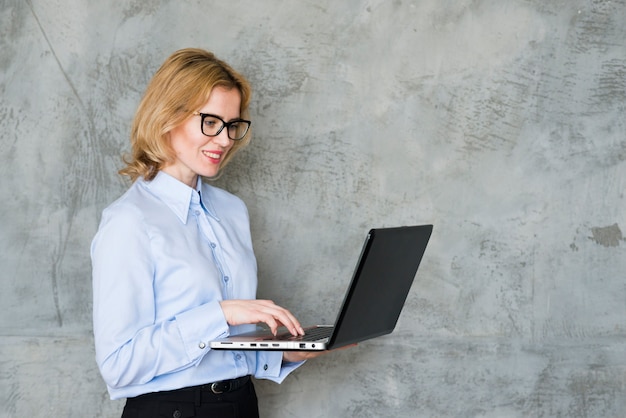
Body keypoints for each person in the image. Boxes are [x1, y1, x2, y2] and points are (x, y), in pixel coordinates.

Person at [91, 48, 333, 418]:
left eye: (232, 125)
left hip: (240, 404)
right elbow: (119, 363)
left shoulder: (232, 211)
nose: (224, 140)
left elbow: (229, 351)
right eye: (210, 122)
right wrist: (220, 313)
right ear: (167, 117)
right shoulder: (129, 221)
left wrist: (286, 352)